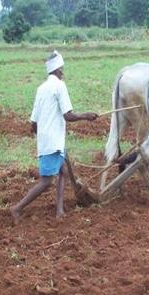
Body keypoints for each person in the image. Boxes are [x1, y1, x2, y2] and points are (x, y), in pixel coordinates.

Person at [10, 50, 98, 224]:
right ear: (58, 70)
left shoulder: (41, 89)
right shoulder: (59, 86)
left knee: (63, 171)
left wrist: (42, 136)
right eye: (62, 69)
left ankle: (59, 210)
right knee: (47, 181)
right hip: (53, 142)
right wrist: (86, 116)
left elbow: (33, 123)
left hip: (49, 140)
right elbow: (68, 115)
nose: (63, 72)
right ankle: (17, 208)